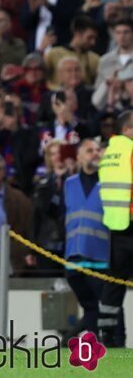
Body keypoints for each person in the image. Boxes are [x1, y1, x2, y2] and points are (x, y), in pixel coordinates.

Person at [63, 139, 115, 337]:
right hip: (73, 257)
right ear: (79, 157)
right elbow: (59, 215)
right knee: (91, 308)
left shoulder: (110, 183)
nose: (95, 153)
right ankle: (92, 346)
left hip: (100, 256)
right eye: (89, 150)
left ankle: (114, 343)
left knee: (107, 306)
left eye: (97, 150)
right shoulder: (68, 183)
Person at [97, 109, 133, 347]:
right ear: (128, 130)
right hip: (131, 221)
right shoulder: (131, 150)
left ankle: (107, 336)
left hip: (115, 226)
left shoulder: (109, 153)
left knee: (114, 284)